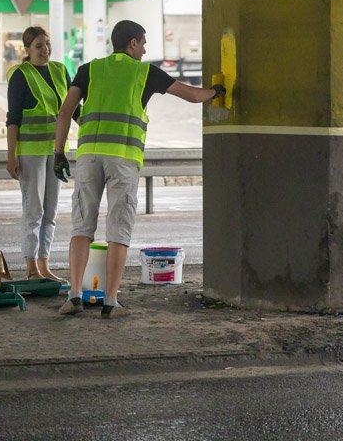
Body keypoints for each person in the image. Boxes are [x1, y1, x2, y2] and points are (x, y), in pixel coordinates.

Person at [53, 20, 226, 318]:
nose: (145, 50)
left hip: (88, 158)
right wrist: (216, 90)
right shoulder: (145, 73)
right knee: (118, 230)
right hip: (122, 159)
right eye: (143, 43)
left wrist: (58, 152)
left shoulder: (89, 69)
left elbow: (66, 110)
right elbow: (192, 95)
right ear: (132, 43)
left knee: (82, 227)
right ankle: (110, 301)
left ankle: (74, 297)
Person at [5, 26, 72, 282]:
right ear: (27, 50)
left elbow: (71, 110)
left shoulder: (59, 70)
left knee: (51, 212)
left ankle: (45, 265)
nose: (45, 50)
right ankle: (31, 265)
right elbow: (13, 120)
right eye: (39, 46)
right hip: (30, 153)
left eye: (47, 44)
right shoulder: (21, 76)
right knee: (34, 211)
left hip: (55, 152)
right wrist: (11, 157)